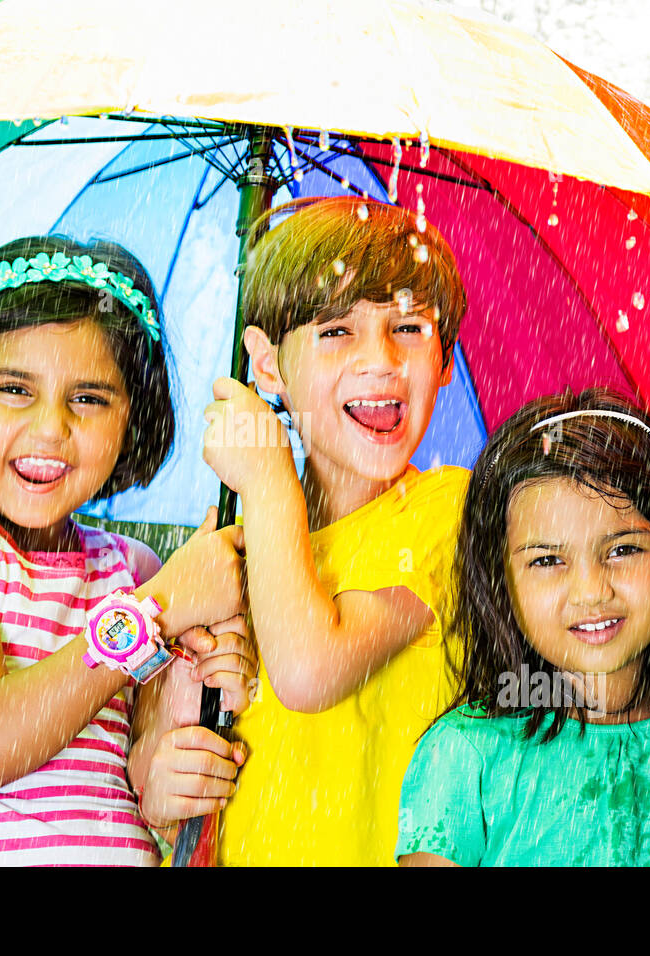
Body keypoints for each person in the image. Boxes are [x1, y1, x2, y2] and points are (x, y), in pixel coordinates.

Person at [0, 236, 252, 865]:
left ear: (134, 420)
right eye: (14, 389)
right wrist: (164, 605)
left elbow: (147, 786)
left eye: (89, 398)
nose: (49, 428)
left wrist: (208, 672)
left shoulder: (132, 569)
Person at [201, 196, 472, 865]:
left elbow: (309, 669)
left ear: (445, 359)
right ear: (266, 367)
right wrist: (164, 762)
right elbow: (162, 751)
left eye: (408, 328)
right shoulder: (230, 538)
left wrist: (266, 484)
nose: (380, 361)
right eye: (335, 331)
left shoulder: (451, 511)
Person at [397, 388, 650, 866]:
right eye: (548, 559)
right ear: (500, 582)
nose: (592, 591)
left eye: (623, 549)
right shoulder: (464, 760)